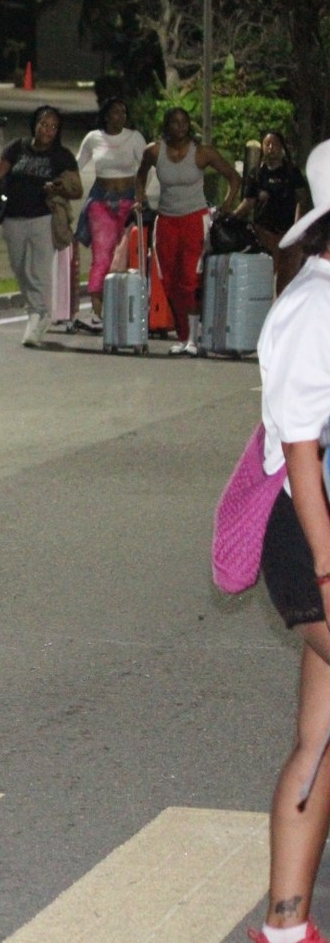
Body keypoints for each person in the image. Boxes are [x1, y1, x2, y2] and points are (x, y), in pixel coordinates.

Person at [249, 140, 330, 943]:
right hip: (316, 537)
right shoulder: (316, 304)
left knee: (319, 735)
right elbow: (302, 448)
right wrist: (329, 568)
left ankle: (285, 925)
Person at [134, 106, 242, 355]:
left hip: (194, 219)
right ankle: (183, 336)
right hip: (166, 220)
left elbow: (233, 177)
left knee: (190, 279)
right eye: (174, 122)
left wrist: (226, 204)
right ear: (167, 125)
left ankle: (195, 337)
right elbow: (140, 175)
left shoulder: (202, 153)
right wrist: (140, 197)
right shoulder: (154, 151)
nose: (180, 127)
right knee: (168, 280)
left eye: (184, 122)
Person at [0, 105, 82, 347]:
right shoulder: (17, 148)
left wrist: (58, 187)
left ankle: (38, 316)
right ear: (34, 124)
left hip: (43, 219)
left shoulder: (62, 155)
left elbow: (77, 189)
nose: (48, 130)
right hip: (13, 219)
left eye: (53, 127)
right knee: (19, 269)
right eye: (44, 124)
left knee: (38, 271)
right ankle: (37, 312)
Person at [73, 98, 148, 332]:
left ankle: (126, 310)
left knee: (125, 257)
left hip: (128, 201)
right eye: (115, 112)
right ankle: (98, 314)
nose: (120, 116)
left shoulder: (134, 138)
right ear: (106, 116)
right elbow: (76, 166)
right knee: (102, 257)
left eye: (123, 112)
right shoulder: (93, 138)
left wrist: (140, 196)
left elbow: (147, 168)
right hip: (101, 202)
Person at [237, 130, 310, 295]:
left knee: (287, 281)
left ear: (282, 147)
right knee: (264, 278)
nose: (271, 148)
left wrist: (297, 227)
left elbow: (301, 199)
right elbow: (248, 202)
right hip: (265, 232)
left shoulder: (291, 172)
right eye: (267, 144)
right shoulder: (256, 174)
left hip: (288, 233)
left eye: (275, 144)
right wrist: (232, 216)